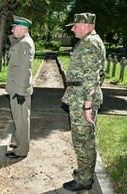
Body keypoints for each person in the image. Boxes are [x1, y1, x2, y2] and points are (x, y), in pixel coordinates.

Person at [61, 13, 106, 192]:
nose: (72, 29)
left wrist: (88, 105)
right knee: (82, 138)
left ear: (86, 25)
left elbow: (92, 78)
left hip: (83, 99)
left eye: (75, 25)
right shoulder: (89, 41)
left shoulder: (90, 44)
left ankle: (85, 180)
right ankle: (84, 171)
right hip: (79, 96)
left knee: (83, 140)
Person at [5, 15, 35, 159]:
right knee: (18, 118)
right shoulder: (21, 41)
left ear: (22, 29)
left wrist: (22, 91)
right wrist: (11, 36)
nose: (12, 30)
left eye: (14, 27)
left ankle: (21, 150)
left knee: (22, 119)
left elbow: (25, 70)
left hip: (19, 89)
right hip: (16, 87)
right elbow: (14, 50)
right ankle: (20, 143)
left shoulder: (25, 44)